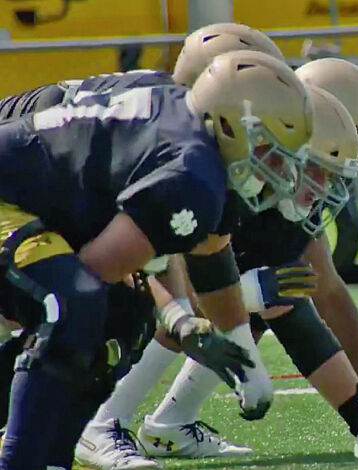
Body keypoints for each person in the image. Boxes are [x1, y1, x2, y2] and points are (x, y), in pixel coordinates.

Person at [0, 47, 315, 470]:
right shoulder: (192, 170)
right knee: (73, 306)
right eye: (270, 149)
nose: (277, 168)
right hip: (9, 201)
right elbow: (96, 269)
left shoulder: (195, 138)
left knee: (126, 317)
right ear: (230, 123)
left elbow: (207, 261)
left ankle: (52, 458)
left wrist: (215, 335)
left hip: (34, 205)